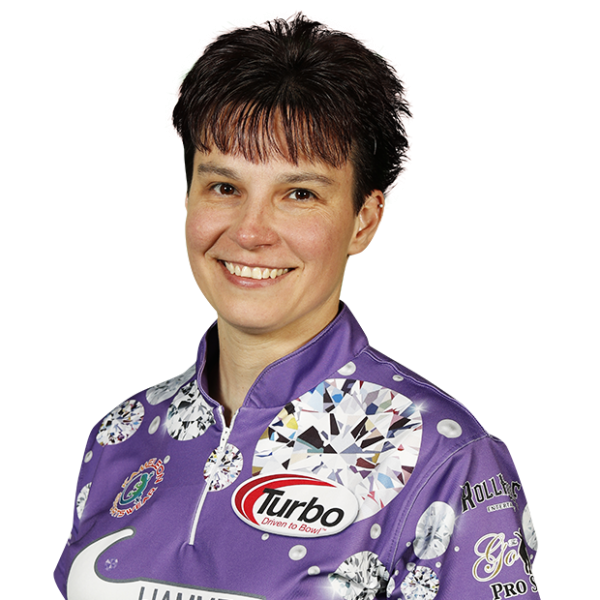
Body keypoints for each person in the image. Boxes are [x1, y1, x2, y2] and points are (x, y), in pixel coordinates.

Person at [54, 11, 540, 600]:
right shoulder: (120, 434)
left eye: (299, 194)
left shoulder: (448, 458)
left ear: (364, 221)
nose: (250, 232)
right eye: (224, 187)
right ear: (187, 201)